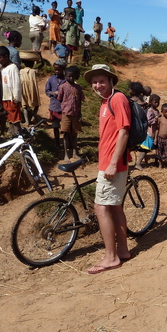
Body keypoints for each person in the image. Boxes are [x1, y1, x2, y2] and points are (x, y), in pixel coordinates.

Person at [83, 64, 131, 274]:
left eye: (102, 81)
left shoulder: (117, 99)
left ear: (111, 81)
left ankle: (111, 257)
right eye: (94, 82)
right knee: (114, 206)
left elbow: (124, 132)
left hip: (113, 164)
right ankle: (123, 251)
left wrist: (112, 162)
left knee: (100, 208)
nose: (98, 85)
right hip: (109, 162)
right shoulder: (106, 102)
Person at [57, 65, 84, 162]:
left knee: (75, 133)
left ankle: (74, 152)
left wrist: (80, 114)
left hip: (76, 114)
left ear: (76, 76)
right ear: (65, 76)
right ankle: (66, 154)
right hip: (66, 114)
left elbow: (80, 101)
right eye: (69, 76)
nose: (71, 78)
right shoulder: (62, 87)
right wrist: (63, 110)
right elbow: (59, 99)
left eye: (73, 76)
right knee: (65, 133)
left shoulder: (78, 88)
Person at [0, 46, 22, 134]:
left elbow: (16, 84)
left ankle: (18, 136)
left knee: (15, 119)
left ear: (6, 56)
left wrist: (16, 98)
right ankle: (13, 135)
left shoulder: (13, 68)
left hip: (12, 98)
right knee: (9, 118)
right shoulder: (4, 68)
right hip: (5, 97)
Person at [45, 59, 67, 150]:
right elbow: (47, 91)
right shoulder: (51, 79)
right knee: (55, 126)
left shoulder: (66, 79)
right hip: (54, 106)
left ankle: (66, 143)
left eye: (59, 69)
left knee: (65, 127)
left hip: (65, 107)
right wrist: (52, 93)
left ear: (63, 69)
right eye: (55, 69)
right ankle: (57, 143)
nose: (57, 71)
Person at [20, 60, 40, 126]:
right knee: (36, 104)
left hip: (23, 89)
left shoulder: (21, 71)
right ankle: (33, 117)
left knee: (24, 105)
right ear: (33, 64)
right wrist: (40, 56)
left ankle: (27, 122)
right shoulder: (33, 71)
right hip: (32, 89)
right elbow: (42, 65)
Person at [156, 103, 167, 169]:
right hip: (160, 138)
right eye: (166, 112)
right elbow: (157, 129)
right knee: (160, 152)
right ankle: (160, 165)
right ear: (162, 112)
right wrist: (156, 138)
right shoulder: (160, 119)